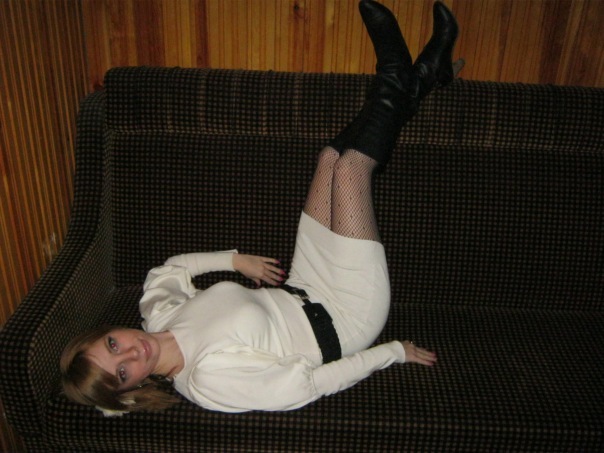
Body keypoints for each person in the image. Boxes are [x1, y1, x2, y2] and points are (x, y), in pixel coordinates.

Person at [61, 0, 459, 415]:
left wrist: (235, 261)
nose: (132, 352)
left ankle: (425, 77)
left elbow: (170, 270)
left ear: (108, 331)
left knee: (329, 159)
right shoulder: (206, 380)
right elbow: (308, 385)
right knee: (350, 169)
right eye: (122, 372)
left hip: (306, 282)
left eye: (113, 344)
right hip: (349, 315)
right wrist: (393, 352)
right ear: (132, 389)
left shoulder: (158, 313)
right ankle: (397, 72)